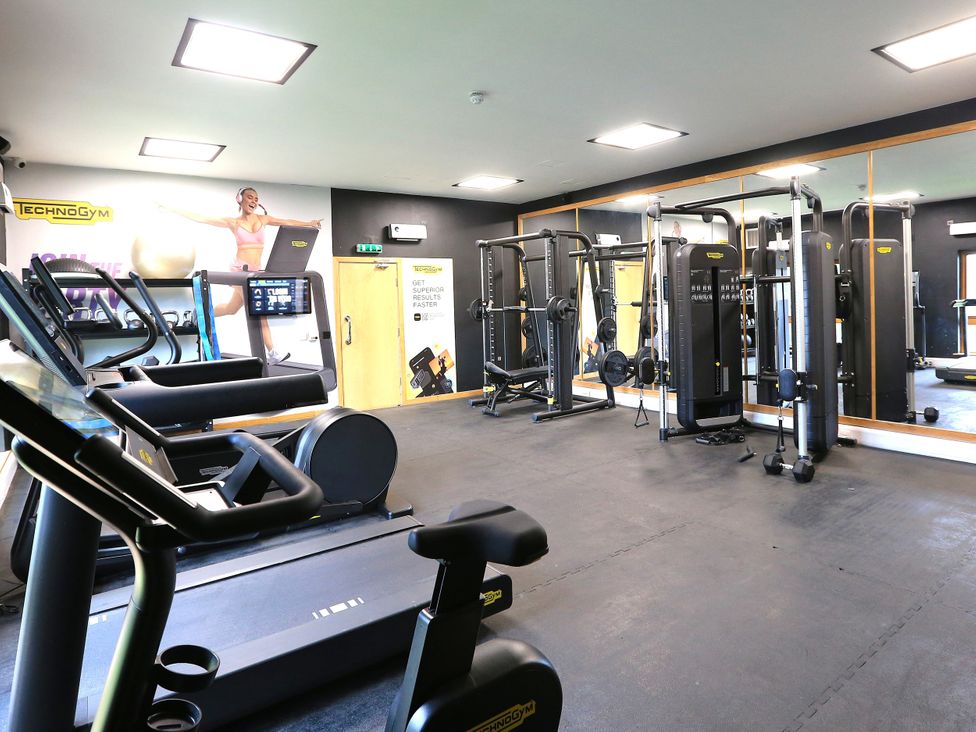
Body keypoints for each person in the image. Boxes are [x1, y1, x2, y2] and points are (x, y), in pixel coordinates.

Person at [160, 187, 322, 365]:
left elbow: (287, 221)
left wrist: (309, 223)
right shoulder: (234, 223)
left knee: (231, 308)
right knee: (259, 310)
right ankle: (273, 352)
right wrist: (172, 209)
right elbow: (203, 218)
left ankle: (197, 315)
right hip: (238, 272)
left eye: (256, 198)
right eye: (249, 197)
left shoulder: (263, 219)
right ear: (240, 199)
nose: (253, 201)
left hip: (255, 272)